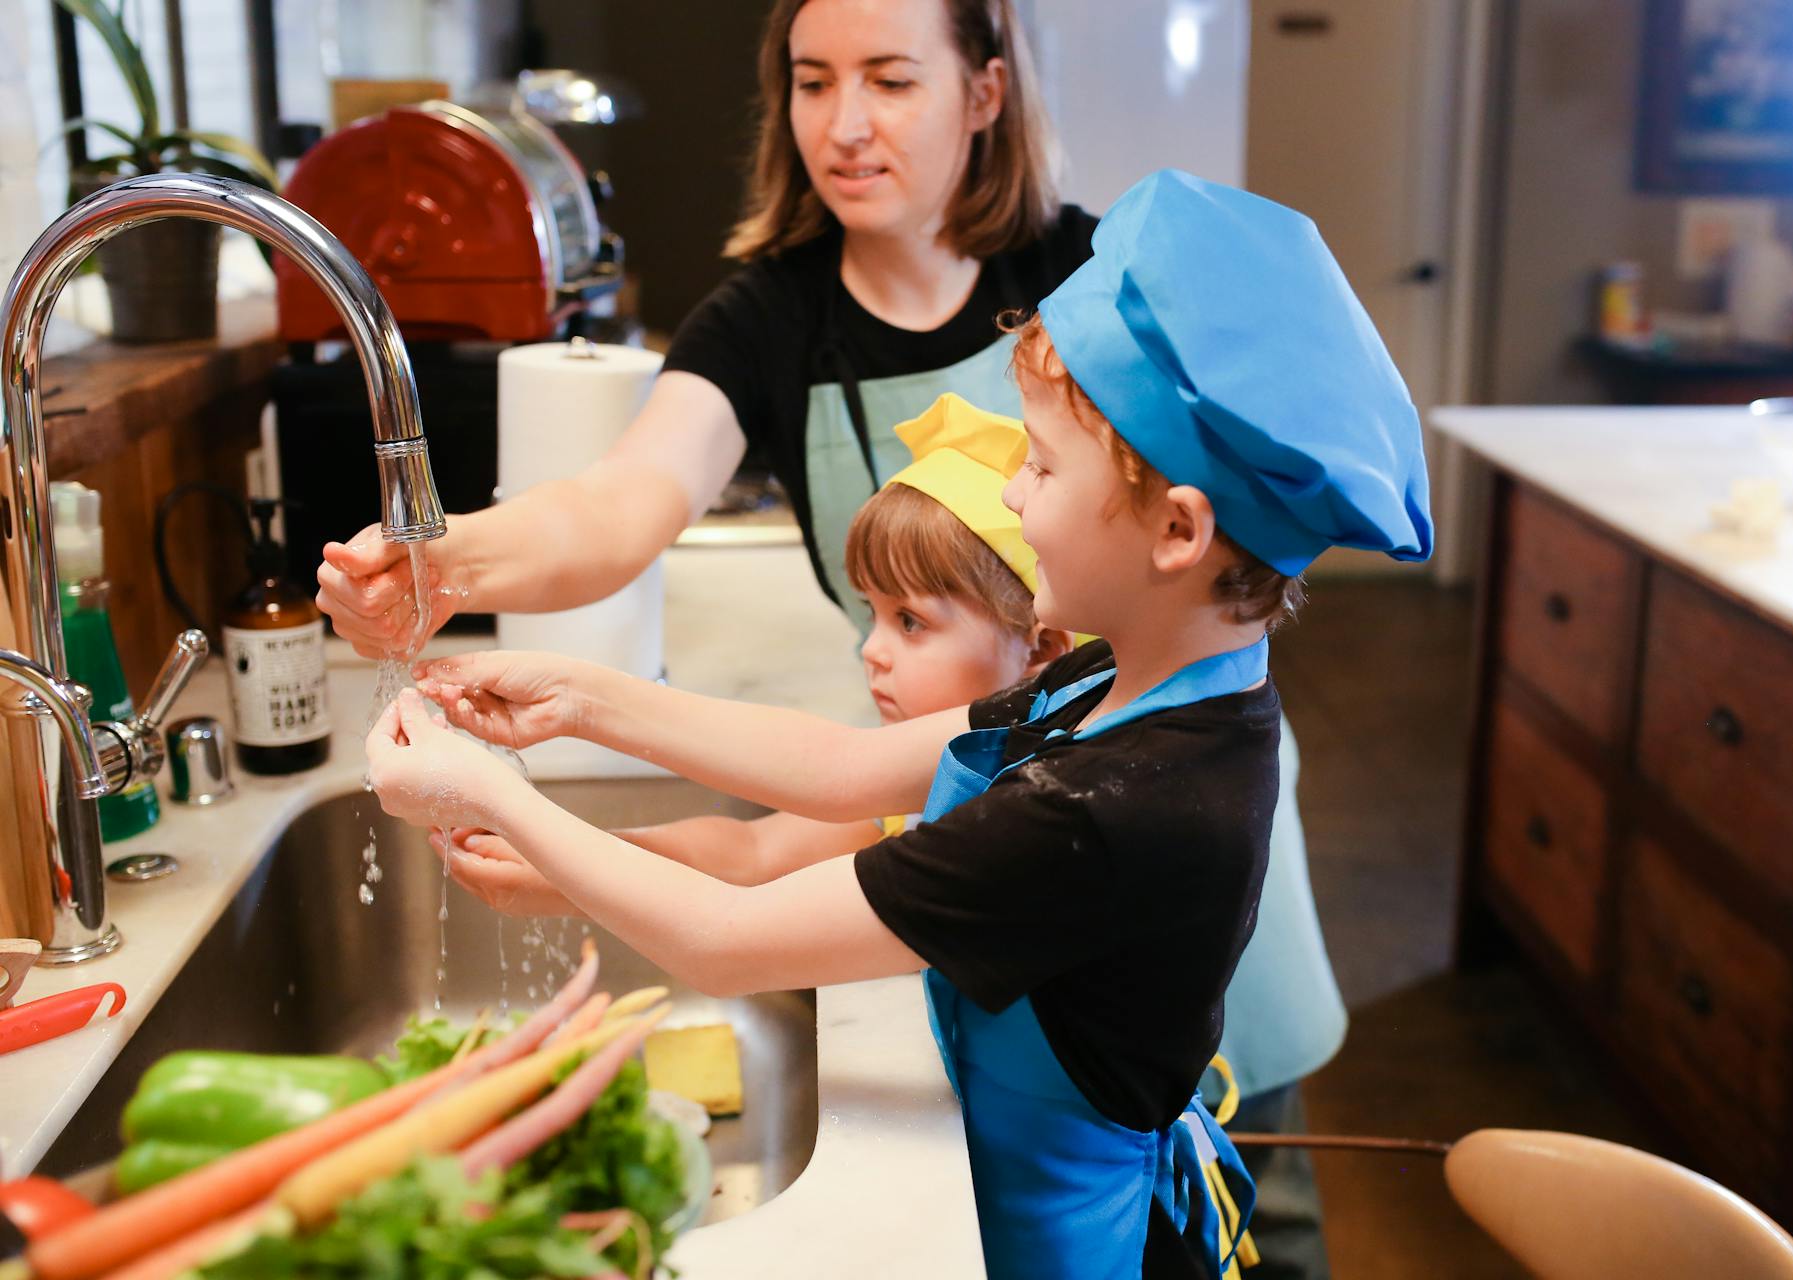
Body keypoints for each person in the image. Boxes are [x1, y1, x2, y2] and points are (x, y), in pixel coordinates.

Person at [365, 169, 1432, 1279]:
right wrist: (582, 699)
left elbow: (725, 944)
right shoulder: (1130, 682)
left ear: (1177, 529)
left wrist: (493, 792)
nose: (1013, 495)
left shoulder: (1119, 807)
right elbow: (845, 770)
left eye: (1045, 464)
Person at [315, 0, 1092, 650]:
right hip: (924, 762)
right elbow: (616, 508)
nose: (844, 126)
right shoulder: (763, 321)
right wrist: (438, 562)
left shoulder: (1090, 275)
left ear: (985, 95)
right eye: (813, 83)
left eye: (890, 81)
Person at [438, 392, 1072, 900]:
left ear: (1042, 647)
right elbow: (752, 854)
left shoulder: (1037, 806)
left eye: (910, 622)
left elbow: (756, 891)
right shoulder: (914, 786)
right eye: (871, 615)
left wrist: (575, 863)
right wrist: (568, 859)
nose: (871, 652)